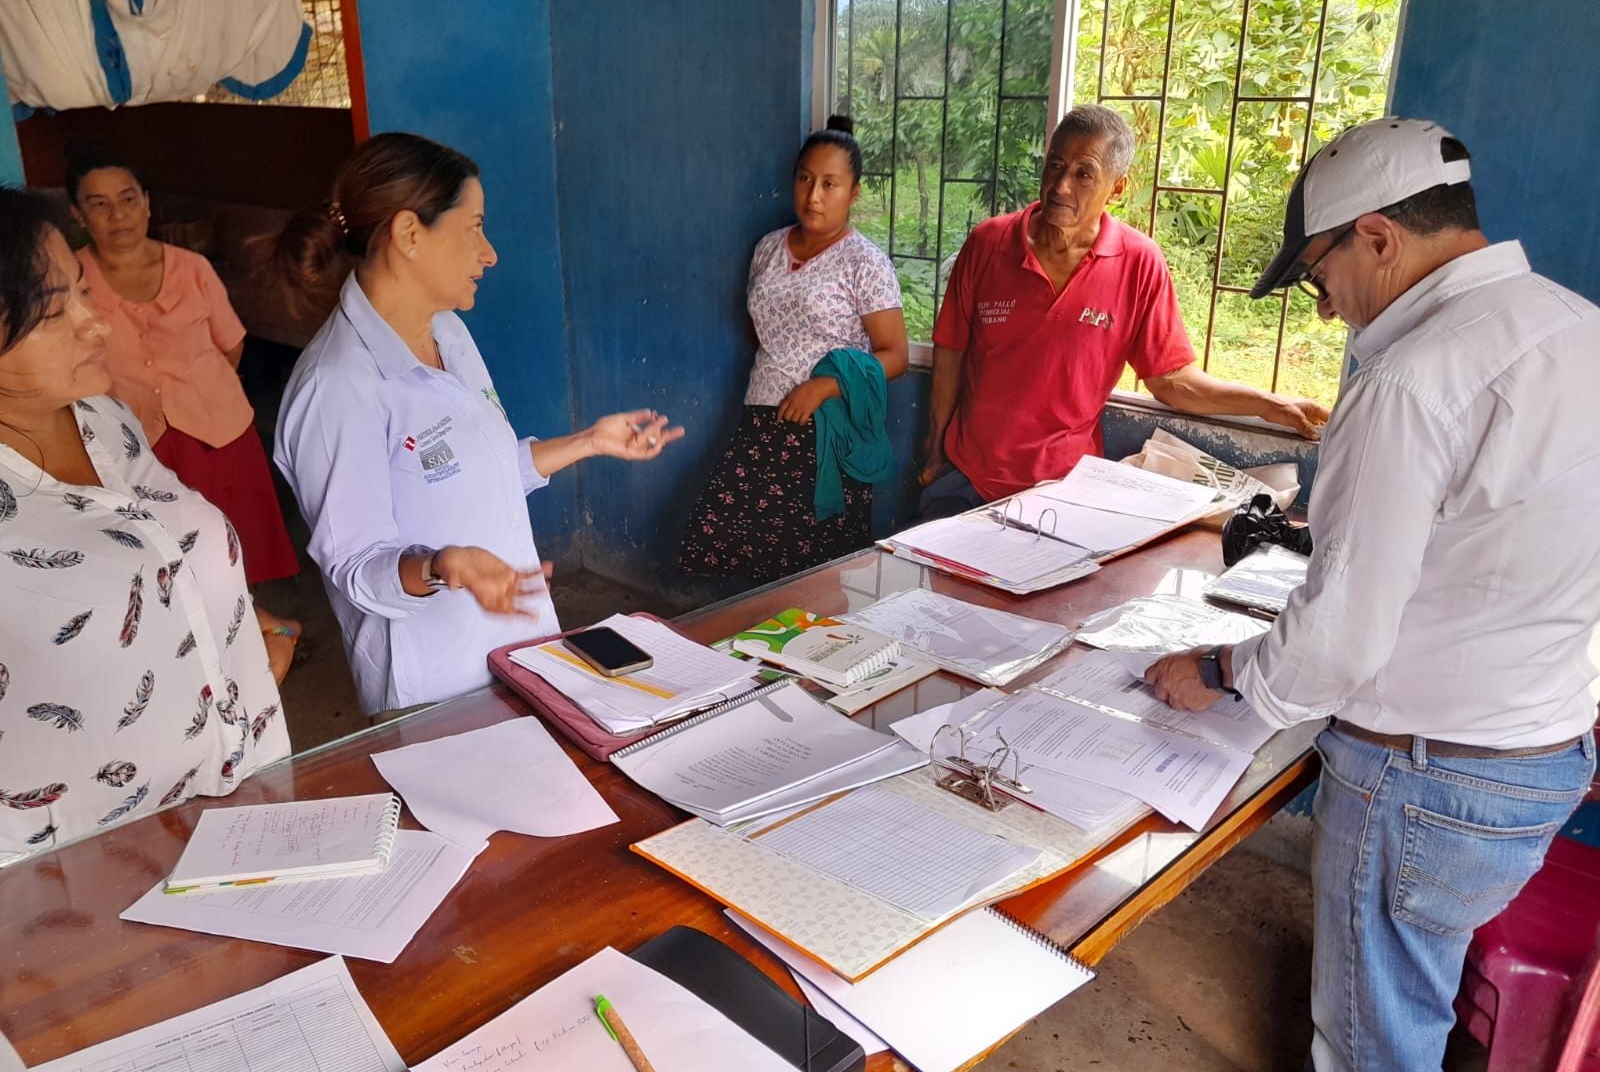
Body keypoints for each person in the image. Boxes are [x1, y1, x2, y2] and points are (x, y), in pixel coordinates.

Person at [1142, 118, 1600, 1072]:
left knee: (1375, 1058)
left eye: (1320, 274)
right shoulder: (1577, 326)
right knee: (1399, 998)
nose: (1327, 303)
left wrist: (1216, 669)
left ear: (1379, 238)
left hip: (1425, 778)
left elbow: (1338, 644)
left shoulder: (1408, 378)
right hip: (1541, 747)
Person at [273, 132, 683, 717]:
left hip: (516, 649)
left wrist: (589, 441)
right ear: (410, 234)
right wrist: (440, 566)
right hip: (432, 687)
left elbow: (476, 475)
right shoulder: (336, 387)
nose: (489, 253)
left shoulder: (448, 331)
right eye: (474, 229)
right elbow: (357, 569)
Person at [0, 187, 288, 862]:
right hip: (89, 876)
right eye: (51, 312)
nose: (94, 324)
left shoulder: (107, 420)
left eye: (81, 291)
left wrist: (233, 620)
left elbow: (150, 550)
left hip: (249, 799)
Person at [919, 103, 1328, 519]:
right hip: (966, 478)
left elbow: (1172, 381)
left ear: (1117, 187)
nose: (1061, 186)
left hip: (1062, 492)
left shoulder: (1138, 263)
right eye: (1055, 165)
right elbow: (951, 348)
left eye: (1083, 174)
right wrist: (935, 447)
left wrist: (1267, 404)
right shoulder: (988, 243)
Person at [66, 143, 302, 683]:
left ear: (148, 204)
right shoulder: (71, 280)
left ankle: (255, 638)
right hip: (137, 447)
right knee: (163, 557)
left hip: (217, 432)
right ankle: (207, 650)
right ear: (77, 215)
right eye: (97, 204)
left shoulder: (191, 269)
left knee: (234, 544)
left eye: (128, 198)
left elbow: (231, 346)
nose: (117, 214)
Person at [679, 115, 907, 582]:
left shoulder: (865, 263)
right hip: (761, 424)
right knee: (745, 564)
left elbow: (894, 354)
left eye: (830, 183)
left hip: (823, 433)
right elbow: (762, 328)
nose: (814, 195)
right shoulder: (768, 247)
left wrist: (825, 385)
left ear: (854, 192)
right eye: (805, 179)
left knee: (817, 576)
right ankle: (749, 655)